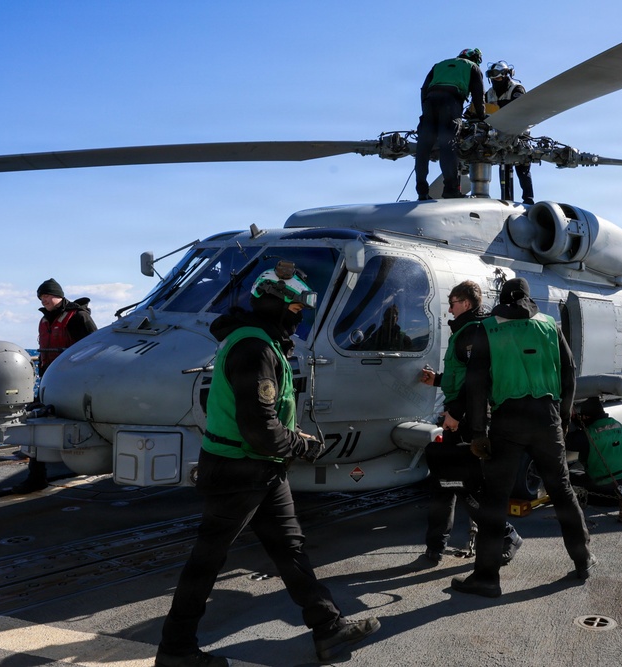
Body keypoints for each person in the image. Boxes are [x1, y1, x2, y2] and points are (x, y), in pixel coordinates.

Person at [156, 261, 379, 667]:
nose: (300, 317)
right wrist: (302, 445)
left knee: (289, 548)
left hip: (261, 468)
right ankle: (176, 650)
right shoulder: (255, 349)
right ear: (276, 305)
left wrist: (287, 445)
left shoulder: (261, 342)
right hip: (240, 469)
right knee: (207, 561)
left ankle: (329, 628)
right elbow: (258, 428)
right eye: (296, 309)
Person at [451, 277, 592, 598]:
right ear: (529, 298)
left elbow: (476, 384)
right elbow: (569, 374)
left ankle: (487, 578)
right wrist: (565, 418)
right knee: (561, 490)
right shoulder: (549, 326)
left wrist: (478, 431)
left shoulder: (487, 327)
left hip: (507, 420)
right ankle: (582, 559)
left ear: (501, 298)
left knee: (495, 499)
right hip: (547, 418)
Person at [418, 281, 522, 565]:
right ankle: (435, 547)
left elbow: (477, 382)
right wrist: (438, 380)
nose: (449, 308)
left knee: (466, 484)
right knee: (444, 481)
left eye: (452, 303)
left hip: (469, 418)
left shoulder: (474, 333)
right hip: (461, 415)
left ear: (466, 303)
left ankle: (507, 535)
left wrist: (455, 412)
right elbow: (461, 377)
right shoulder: (464, 332)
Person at [16, 278, 97, 493]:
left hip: (74, 382)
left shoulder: (79, 317)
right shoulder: (44, 320)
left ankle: (81, 463)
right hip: (49, 380)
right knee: (38, 422)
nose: (44, 300)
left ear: (59, 296)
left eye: (47, 296)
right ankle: (36, 475)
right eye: (42, 297)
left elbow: (93, 348)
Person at [414, 48, 485, 201]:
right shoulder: (472, 67)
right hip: (451, 103)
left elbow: (424, 89)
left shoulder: (439, 65)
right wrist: (482, 117)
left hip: (429, 103)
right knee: (448, 146)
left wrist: (426, 111)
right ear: (476, 58)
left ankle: (421, 191)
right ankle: (451, 190)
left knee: (423, 148)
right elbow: (478, 94)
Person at [569, 397, 622, 506]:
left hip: (612, 493)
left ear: (586, 417)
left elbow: (566, 441)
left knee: (568, 475)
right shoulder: (616, 424)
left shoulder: (587, 435)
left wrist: (568, 418)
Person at [483, 61, 534, 204]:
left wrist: (497, 106)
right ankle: (506, 200)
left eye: (498, 79)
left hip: (518, 133)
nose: (495, 82)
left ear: (506, 76)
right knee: (503, 167)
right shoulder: (489, 93)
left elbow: (519, 105)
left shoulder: (516, 88)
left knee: (522, 167)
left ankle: (528, 200)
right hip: (498, 133)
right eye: (493, 79)